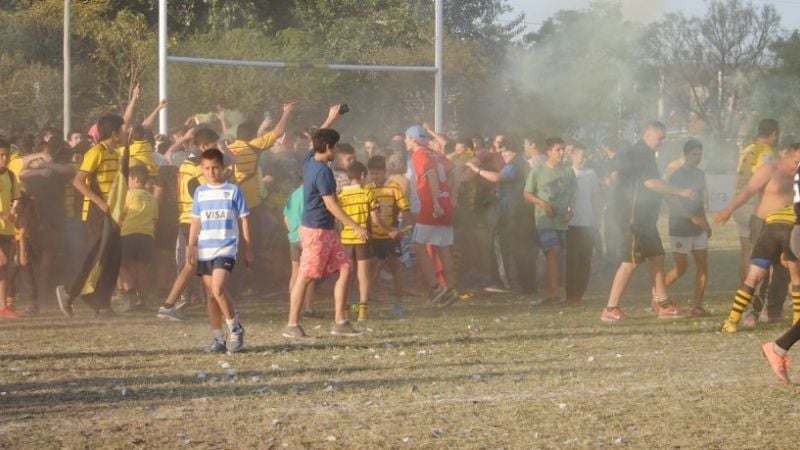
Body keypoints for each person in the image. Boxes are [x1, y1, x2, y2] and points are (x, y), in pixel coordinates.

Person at [282, 104, 368, 339]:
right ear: (329, 148)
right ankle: (292, 325)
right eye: (336, 147)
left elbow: (314, 139)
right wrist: (356, 226)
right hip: (317, 231)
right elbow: (331, 204)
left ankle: (340, 321)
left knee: (345, 268)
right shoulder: (323, 172)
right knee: (306, 276)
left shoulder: (311, 158)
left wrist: (330, 118)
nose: (337, 151)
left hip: (326, 230)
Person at [600, 122, 695, 322]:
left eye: (664, 138)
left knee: (657, 257)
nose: (662, 142)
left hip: (646, 218)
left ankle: (663, 304)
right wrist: (681, 191)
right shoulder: (640, 153)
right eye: (660, 138)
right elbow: (651, 183)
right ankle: (611, 308)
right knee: (630, 262)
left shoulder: (646, 153)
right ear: (648, 134)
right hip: (634, 217)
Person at [715, 135, 799, 326]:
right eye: (796, 161)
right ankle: (752, 311)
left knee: (783, 270)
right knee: (759, 270)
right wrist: (729, 209)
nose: (797, 166)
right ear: (787, 155)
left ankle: (774, 311)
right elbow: (748, 191)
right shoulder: (770, 168)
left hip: (789, 227)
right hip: (762, 224)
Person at [56, 114, 124, 316]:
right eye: (121, 130)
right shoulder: (96, 152)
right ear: (114, 133)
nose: (124, 133)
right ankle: (69, 292)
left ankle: (102, 303)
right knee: (95, 257)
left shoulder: (116, 153)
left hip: (114, 213)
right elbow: (78, 181)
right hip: (97, 213)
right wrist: (100, 202)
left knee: (113, 258)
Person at [186, 148, 251, 353]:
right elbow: (196, 221)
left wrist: (249, 248)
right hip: (205, 248)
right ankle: (218, 338)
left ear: (222, 168)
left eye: (215, 167)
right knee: (211, 295)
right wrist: (191, 245)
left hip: (227, 247)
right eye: (207, 168)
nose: (211, 171)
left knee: (218, 288)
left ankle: (235, 328)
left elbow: (244, 220)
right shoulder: (200, 192)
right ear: (202, 169)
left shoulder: (233, 190)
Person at [157, 127, 218, 321]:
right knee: (198, 263)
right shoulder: (199, 167)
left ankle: (171, 304)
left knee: (192, 264)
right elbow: (206, 190)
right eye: (214, 146)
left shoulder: (185, 164)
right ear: (204, 146)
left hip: (186, 217)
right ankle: (173, 305)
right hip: (196, 219)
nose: (217, 150)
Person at [466, 135, 536, 296]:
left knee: (502, 246)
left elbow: (497, 177)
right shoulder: (523, 164)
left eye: (505, 151)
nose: (502, 155)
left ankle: (504, 283)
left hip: (512, 212)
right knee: (522, 250)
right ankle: (527, 286)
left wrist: (476, 169)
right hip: (521, 212)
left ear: (513, 151)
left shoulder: (514, 165)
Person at [406, 125, 459, 306]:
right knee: (443, 246)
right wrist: (452, 196)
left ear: (413, 139)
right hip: (446, 204)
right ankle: (451, 289)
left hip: (431, 206)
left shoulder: (419, 154)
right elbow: (455, 171)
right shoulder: (435, 153)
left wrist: (435, 201)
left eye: (407, 138)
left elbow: (430, 175)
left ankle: (436, 288)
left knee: (417, 245)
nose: (405, 141)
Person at [523, 137, 577, 304]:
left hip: (561, 221)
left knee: (557, 255)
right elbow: (527, 193)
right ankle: (551, 292)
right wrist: (542, 203)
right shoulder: (537, 171)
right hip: (544, 219)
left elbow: (573, 194)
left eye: (563, 149)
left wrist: (571, 211)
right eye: (558, 149)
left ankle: (552, 289)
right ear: (549, 152)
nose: (562, 153)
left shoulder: (568, 171)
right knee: (553, 252)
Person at [339, 161, 394, 321]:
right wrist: (389, 230)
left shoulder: (341, 194)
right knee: (363, 276)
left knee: (346, 276)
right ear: (362, 175)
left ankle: (345, 310)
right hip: (363, 239)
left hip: (346, 239)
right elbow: (375, 218)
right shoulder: (367, 193)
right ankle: (363, 312)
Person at [664, 140, 712, 316]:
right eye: (694, 154)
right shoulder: (677, 175)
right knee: (681, 268)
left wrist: (705, 222)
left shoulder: (701, 174)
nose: (697, 158)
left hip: (698, 228)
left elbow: (699, 202)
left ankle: (697, 306)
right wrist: (691, 217)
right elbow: (672, 202)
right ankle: (657, 295)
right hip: (680, 227)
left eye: (700, 154)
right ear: (684, 155)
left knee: (703, 266)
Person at [732, 119, 780, 284]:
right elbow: (766, 181)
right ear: (774, 133)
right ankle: (761, 296)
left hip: (740, 204)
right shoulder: (768, 152)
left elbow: (737, 179)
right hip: (755, 206)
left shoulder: (747, 149)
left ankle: (745, 293)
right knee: (765, 253)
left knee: (746, 251)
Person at [367, 155, 411, 298]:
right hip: (373, 236)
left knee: (395, 266)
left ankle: (399, 299)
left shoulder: (394, 187)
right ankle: (366, 298)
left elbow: (404, 209)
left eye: (378, 173)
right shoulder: (367, 188)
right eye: (372, 173)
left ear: (385, 172)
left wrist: (399, 228)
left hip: (391, 235)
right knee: (373, 266)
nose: (375, 176)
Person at [565, 143, 601, 306]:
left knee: (585, 259)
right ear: (572, 155)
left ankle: (580, 294)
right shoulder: (566, 172)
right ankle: (570, 294)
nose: (584, 160)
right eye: (581, 156)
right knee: (572, 260)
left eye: (586, 156)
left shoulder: (591, 174)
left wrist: (597, 219)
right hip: (571, 223)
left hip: (588, 222)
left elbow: (596, 198)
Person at [118, 165, 158, 311]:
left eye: (128, 179)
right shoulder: (152, 198)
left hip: (128, 233)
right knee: (141, 267)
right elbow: (154, 219)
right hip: (147, 235)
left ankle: (130, 294)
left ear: (134, 179)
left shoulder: (128, 195)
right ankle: (143, 298)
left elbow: (120, 215)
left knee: (121, 265)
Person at [283, 181, 318, 318]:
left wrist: (293, 232)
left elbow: (286, 218)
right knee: (310, 274)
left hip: (293, 237)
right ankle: (308, 308)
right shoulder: (311, 194)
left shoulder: (293, 195)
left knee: (295, 273)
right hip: (307, 237)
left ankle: (293, 306)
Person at [0, 140, 21, 319]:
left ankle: (3, 307)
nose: (4, 158)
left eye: (7, 154)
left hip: (6, 229)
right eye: (1, 155)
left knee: (4, 268)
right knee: (2, 261)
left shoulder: (11, 176)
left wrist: (13, 212)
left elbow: (16, 197)